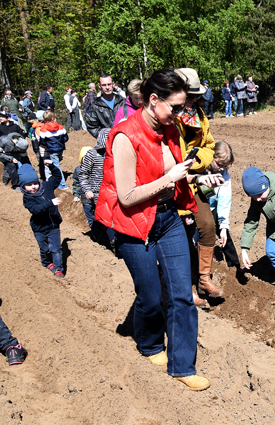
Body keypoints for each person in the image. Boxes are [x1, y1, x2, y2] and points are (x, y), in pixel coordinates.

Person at [94, 68, 223, 391]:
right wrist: (171, 179)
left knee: (181, 295)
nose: (181, 114)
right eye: (175, 107)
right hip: (133, 226)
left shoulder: (168, 129)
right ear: (154, 100)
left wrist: (197, 178)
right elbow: (126, 196)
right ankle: (150, 343)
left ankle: (182, 365)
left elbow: (173, 172)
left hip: (168, 220)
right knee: (151, 298)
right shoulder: (125, 135)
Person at [173, 67, 223, 301]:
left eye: (196, 96)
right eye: (189, 95)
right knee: (180, 237)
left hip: (194, 182)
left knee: (207, 226)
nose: (193, 100)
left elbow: (209, 146)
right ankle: (185, 287)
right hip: (171, 185)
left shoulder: (200, 115)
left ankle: (204, 278)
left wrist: (197, 161)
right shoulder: (169, 118)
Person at [19, 162, 65, 278]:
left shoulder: (46, 186)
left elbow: (57, 178)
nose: (33, 187)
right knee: (44, 248)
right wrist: (50, 203)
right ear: (23, 186)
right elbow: (36, 210)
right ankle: (46, 262)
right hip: (39, 228)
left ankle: (58, 268)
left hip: (53, 225)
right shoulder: (27, 198)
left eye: (35, 183)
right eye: (29, 185)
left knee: (56, 249)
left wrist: (51, 166)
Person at [77, 128, 115, 246]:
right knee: (103, 219)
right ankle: (107, 241)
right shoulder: (92, 154)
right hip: (98, 194)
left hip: (114, 192)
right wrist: (87, 190)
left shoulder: (116, 153)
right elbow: (82, 174)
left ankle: (115, 241)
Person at [207, 142, 239, 268]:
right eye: (219, 164)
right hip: (198, 207)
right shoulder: (200, 169)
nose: (221, 169)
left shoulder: (224, 176)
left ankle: (235, 266)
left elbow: (224, 201)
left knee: (225, 236)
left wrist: (224, 227)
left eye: (225, 166)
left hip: (213, 207)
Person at [86, 74, 126, 138]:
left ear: (113, 84)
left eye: (109, 84)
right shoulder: (95, 106)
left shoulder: (123, 102)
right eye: (104, 85)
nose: (107, 87)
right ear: (99, 86)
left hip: (125, 141)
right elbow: (92, 126)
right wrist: (105, 136)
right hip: (106, 144)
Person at [37, 111, 69, 190]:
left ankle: (62, 184)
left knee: (56, 165)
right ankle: (55, 179)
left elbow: (42, 142)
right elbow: (66, 138)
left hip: (51, 150)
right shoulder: (60, 127)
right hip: (60, 149)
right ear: (53, 118)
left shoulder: (43, 129)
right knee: (56, 163)